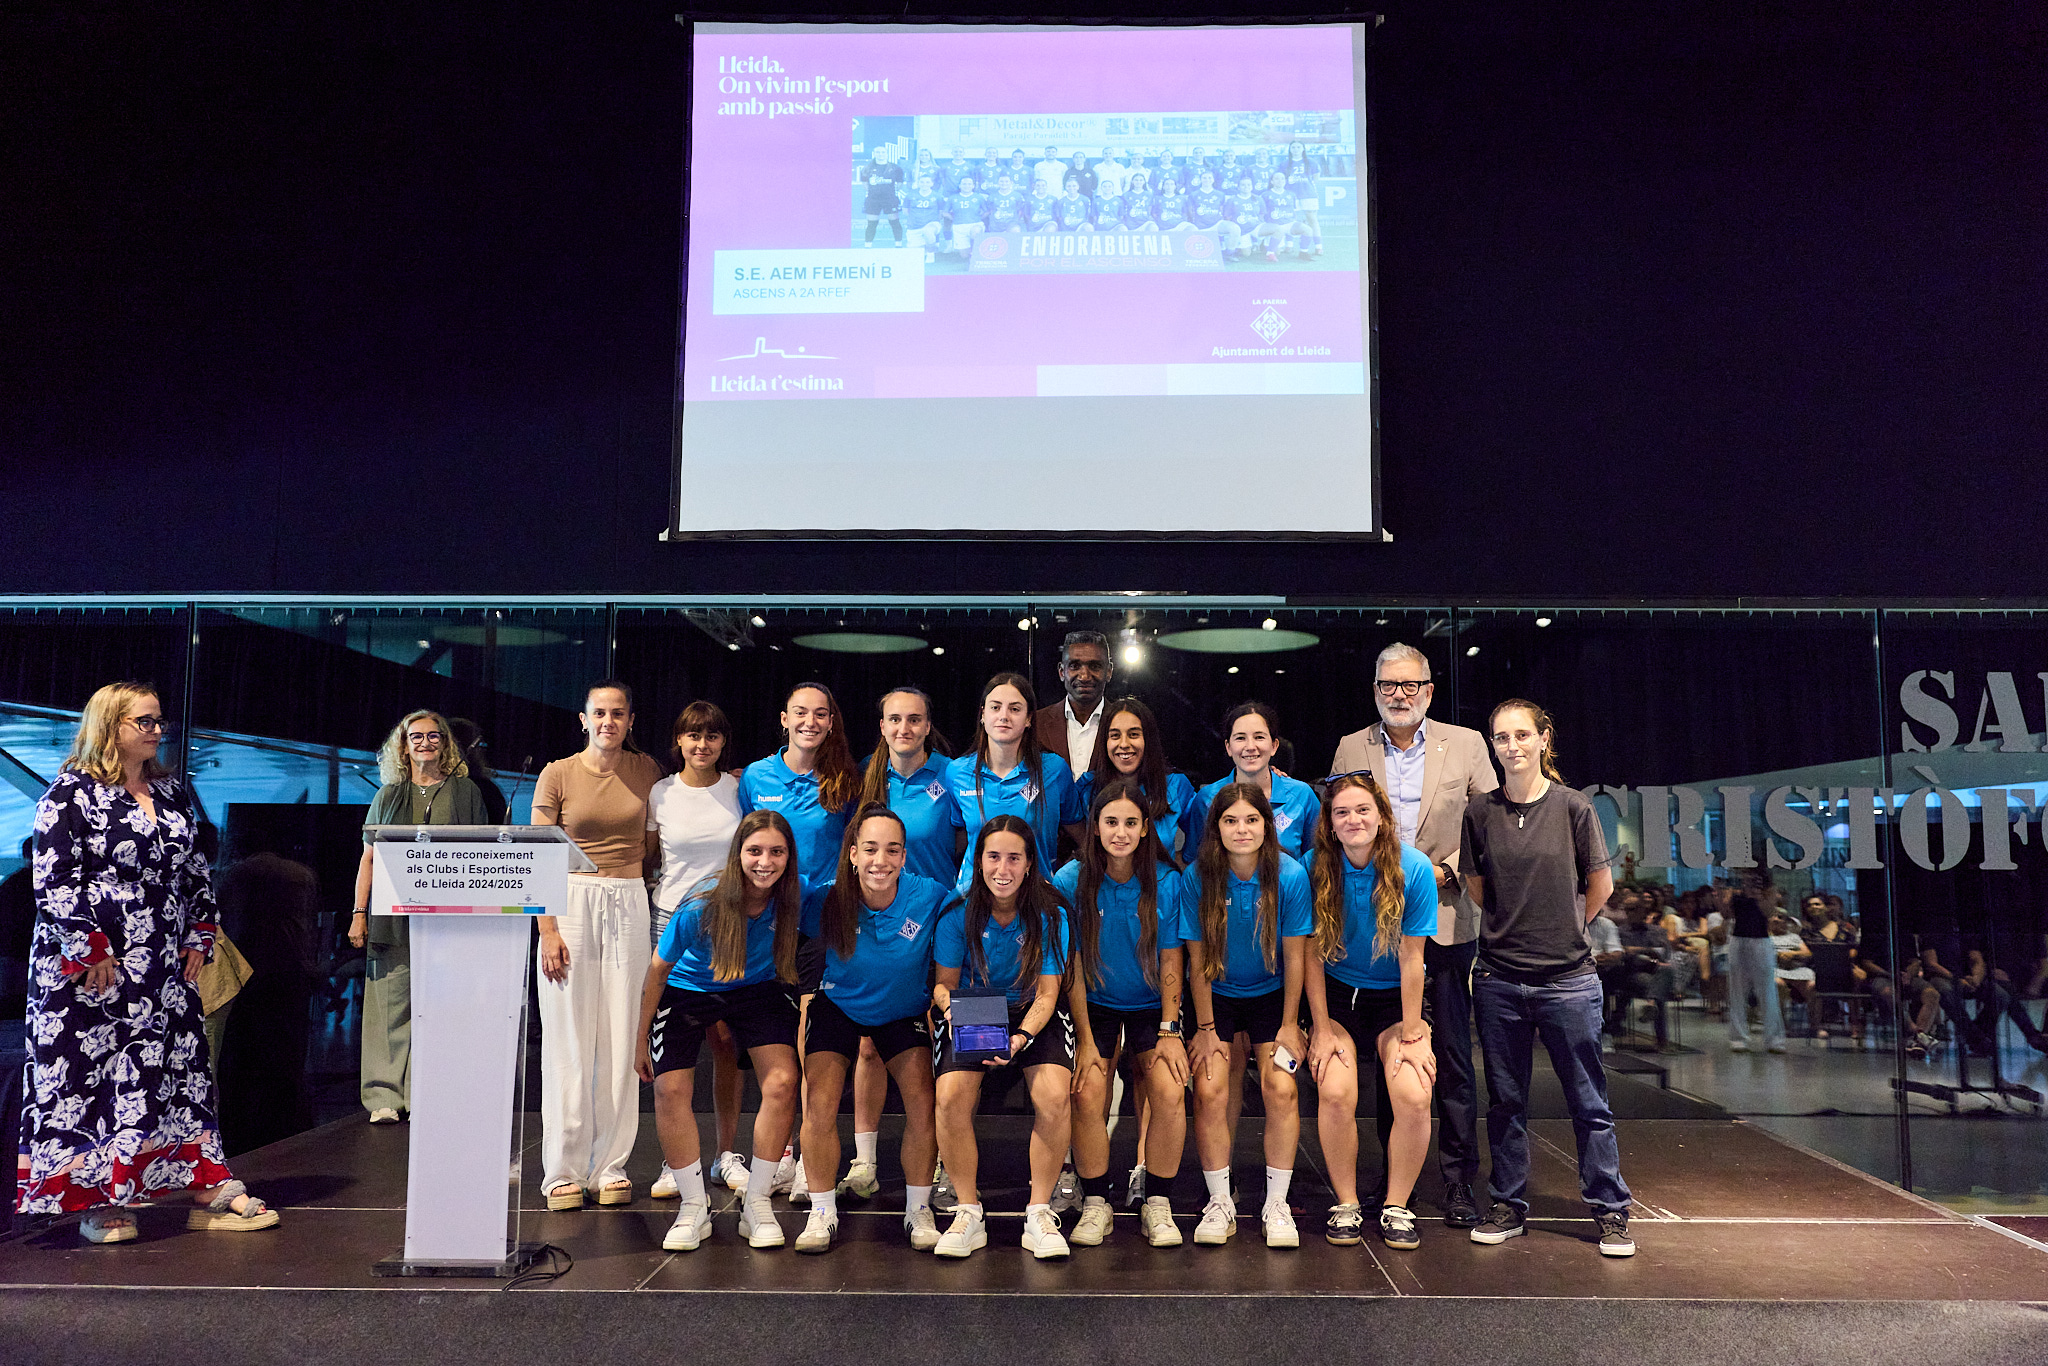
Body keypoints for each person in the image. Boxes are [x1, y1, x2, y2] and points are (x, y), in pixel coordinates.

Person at [18, 681, 279, 1242]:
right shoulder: (69, 796)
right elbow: (55, 881)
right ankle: (99, 1198)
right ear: (110, 726)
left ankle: (204, 1186)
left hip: (163, 965)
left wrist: (201, 933)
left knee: (178, 1074)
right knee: (95, 1078)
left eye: (160, 721)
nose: (158, 731)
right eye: (145, 722)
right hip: (94, 970)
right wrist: (88, 947)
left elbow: (195, 871)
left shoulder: (170, 792)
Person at [1325, 641, 1496, 1225]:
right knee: (1389, 1060)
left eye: (1410, 685)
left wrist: (1440, 870)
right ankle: (1391, 1182)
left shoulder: (1467, 744)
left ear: (1427, 690)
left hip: (1443, 914)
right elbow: (1341, 820)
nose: (1399, 694)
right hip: (1369, 932)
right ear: (1375, 691)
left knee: (1443, 1056)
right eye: (1388, 685)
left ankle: (1456, 1182)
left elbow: (1484, 827)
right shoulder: (1353, 746)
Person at [1462, 699, 1633, 1257]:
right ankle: (1508, 1203)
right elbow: (1477, 886)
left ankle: (1609, 1210)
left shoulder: (1573, 807)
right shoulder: (1480, 811)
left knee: (1590, 1103)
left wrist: (1563, 928)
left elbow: (1599, 886)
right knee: (1506, 1102)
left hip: (1568, 982)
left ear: (1542, 739)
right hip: (1499, 980)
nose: (1510, 746)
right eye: (1500, 737)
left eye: (1520, 736)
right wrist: (1517, 929)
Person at [633, 811, 803, 1252]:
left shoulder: (793, 898)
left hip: (756, 988)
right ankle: (693, 1207)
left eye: (776, 851)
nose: (765, 861)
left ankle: (757, 1204)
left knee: (783, 1081)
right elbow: (657, 969)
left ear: (789, 856)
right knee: (669, 1090)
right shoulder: (702, 904)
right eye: (755, 851)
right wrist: (639, 1038)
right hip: (689, 988)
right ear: (738, 854)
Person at [532, 680, 663, 1210]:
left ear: (631, 720)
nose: (608, 721)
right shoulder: (558, 773)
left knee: (621, 1032)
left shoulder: (647, 771)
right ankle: (562, 1168)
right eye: (599, 713)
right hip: (570, 901)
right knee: (567, 1035)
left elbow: (655, 843)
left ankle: (610, 1164)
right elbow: (537, 856)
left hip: (629, 899)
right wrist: (548, 929)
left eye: (618, 713)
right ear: (583, 719)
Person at [794, 804, 949, 1253]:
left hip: (903, 1012)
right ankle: (822, 1210)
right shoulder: (825, 899)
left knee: (923, 1102)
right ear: (853, 854)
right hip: (838, 1006)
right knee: (819, 1102)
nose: (881, 860)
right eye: (871, 849)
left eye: (892, 850)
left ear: (904, 857)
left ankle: (918, 1208)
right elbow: (788, 940)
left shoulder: (932, 897)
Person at [1054, 778, 1191, 1249]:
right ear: (1094, 828)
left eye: (1131, 822)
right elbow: (1068, 964)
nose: (1120, 832)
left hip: (1153, 1006)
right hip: (1093, 1005)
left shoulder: (1167, 880)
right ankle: (1096, 1203)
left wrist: (1171, 1028)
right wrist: (1088, 1041)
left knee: (1171, 1092)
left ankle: (1158, 1203)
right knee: (1088, 1093)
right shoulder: (1071, 880)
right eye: (1111, 822)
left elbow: (1173, 957)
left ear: (1146, 828)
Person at [1305, 773, 1439, 1250]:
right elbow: (1311, 956)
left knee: (1415, 1093)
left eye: (1363, 810)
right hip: (1337, 1000)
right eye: (1342, 812)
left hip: (1392, 1002)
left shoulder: (1414, 869)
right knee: (1337, 1090)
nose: (1353, 819)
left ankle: (1397, 1206)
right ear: (1330, 824)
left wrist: (1410, 1031)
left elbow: (1412, 958)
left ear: (1382, 817)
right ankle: (1346, 1204)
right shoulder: (1313, 868)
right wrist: (1319, 1027)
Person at [931, 816, 1075, 1259]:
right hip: (975, 1007)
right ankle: (968, 1210)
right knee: (952, 1095)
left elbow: (1050, 992)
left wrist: (1020, 1039)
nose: (1003, 868)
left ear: (1031, 864)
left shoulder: (1051, 914)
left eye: (1015, 857)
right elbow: (942, 986)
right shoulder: (957, 913)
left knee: (1053, 1096)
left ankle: (1038, 1212)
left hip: (1033, 1011)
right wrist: (954, 1011)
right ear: (978, 861)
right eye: (993, 856)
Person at [740, 680, 861, 1203]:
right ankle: (782, 1155)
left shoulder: (845, 779)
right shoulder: (756, 777)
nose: (810, 721)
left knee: (813, 1044)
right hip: (769, 925)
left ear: (831, 722)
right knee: (778, 1048)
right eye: (800, 713)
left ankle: (812, 1156)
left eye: (820, 714)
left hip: (822, 926)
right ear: (784, 720)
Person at [840, 686, 961, 1201]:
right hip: (879, 923)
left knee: (940, 1035)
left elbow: (963, 845)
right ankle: (864, 1163)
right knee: (869, 1041)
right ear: (883, 725)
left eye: (914, 720)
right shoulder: (866, 774)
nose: (904, 729)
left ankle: (943, 1162)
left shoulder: (952, 776)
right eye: (894, 720)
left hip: (938, 918)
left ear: (928, 726)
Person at [1179, 783, 1313, 1249]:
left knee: (1281, 1088)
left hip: (1272, 998)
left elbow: (1296, 957)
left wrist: (1290, 1024)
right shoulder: (1198, 877)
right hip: (1215, 997)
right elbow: (1195, 962)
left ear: (1266, 825)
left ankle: (1277, 1204)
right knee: (1211, 1089)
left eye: (1251, 820)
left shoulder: (1291, 875)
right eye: (1230, 821)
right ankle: (1220, 1201)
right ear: (1215, 827)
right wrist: (1205, 1029)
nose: (1241, 829)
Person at [346, 709, 491, 1125]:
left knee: (442, 1004)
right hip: (393, 915)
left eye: (434, 736)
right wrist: (359, 914)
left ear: (445, 743)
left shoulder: (466, 793)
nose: (425, 743)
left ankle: (429, 1090)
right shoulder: (387, 796)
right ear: (403, 745)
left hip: (450, 915)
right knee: (389, 1003)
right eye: (416, 737)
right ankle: (384, 1096)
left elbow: (482, 858)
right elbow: (368, 858)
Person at [644, 701, 748, 1197]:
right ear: (678, 742)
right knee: (675, 1049)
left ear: (723, 742)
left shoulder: (739, 789)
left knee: (725, 1041)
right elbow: (649, 859)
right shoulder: (660, 794)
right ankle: (675, 1159)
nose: (701, 744)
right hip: (671, 922)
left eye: (711, 735)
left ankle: (727, 1153)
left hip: (729, 925)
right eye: (692, 735)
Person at [947, 672, 1084, 888]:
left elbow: (1082, 837)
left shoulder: (1055, 770)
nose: (1004, 716)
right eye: (995, 707)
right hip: (975, 899)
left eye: (1014, 709)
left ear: (1029, 718)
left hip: (1036, 900)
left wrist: (1065, 879)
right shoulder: (957, 772)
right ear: (982, 715)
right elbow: (958, 841)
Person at [1191, 701, 1321, 859]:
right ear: (1228, 747)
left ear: (1274, 745)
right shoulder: (1207, 799)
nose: (1250, 746)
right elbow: (1196, 861)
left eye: (1259, 737)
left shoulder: (1302, 796)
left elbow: (1317, 860)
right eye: (1240, 738)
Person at [1078, 697, 1199, 859]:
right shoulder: (1087, 786)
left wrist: (1181, 865)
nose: (1124, 744)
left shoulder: (1175, 786)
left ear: (1148, 740)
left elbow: (1202, 836)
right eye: (1114, 736)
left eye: (1133, 734)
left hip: (1160, 883)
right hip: (1102, 883)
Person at [1033, 629, 1114, 772]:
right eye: (1074, 666)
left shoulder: (1124, 724)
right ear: (1061, 672)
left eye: (1095, 666)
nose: (1084, 676)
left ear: (1109, 672)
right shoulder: (1036, 724)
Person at [1724, 870, 1785, 1053]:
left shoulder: (1768, 890)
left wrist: (1757, 895)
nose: (1746, 876)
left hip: (1761, 940)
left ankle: (1774, 1039)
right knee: (1737, 990)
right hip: (1738, 939)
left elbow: (1768, 912)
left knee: (1767, 990)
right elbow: (1726, 913)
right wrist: (1722, 894)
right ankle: (1738, 1038)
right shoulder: (1735, 889)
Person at [1283, 140, 1324, 257]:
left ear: (1303, 149)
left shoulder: (1311, 162)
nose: (1296, 150)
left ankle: (1318, 246)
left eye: (1298, 147)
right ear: (1290, 150)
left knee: (1312, 220)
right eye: (1293, 147)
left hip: (1308, 195)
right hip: (1291, 195)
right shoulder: (1285, 163)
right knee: (1290, 220)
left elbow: (1316, 178)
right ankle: (1289, 244)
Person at [859, 145, 906, 247]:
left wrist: (887, 191)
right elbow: (865, 184)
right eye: (878, 152)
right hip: (873, 200)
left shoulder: (895, 168)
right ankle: (868, 246)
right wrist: (876, 191)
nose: (880, 154)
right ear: (874, 154)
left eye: (883, 152)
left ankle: (898, 245)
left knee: (894, 222)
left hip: (890, 199)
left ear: (887, 154)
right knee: (871, 224)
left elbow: (899, 184)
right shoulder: (867, 168)